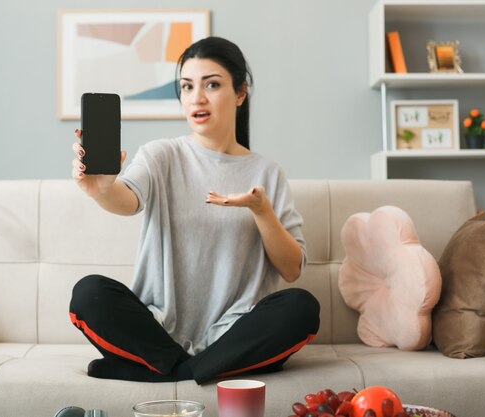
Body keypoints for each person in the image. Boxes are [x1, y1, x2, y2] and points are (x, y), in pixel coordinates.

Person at [68, 36, 320, 385]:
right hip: (157, 330)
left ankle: (165, 372)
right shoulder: (161, 155)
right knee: (88, 293)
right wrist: (102, 190)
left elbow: (292, 270)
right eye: (187, 86)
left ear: (240, 93)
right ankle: (202, 369)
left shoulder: (267, 172)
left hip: (234, 332)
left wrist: (261, 210)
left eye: (212, 85)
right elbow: (127, 200)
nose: (196, 98)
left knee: (302, 308)